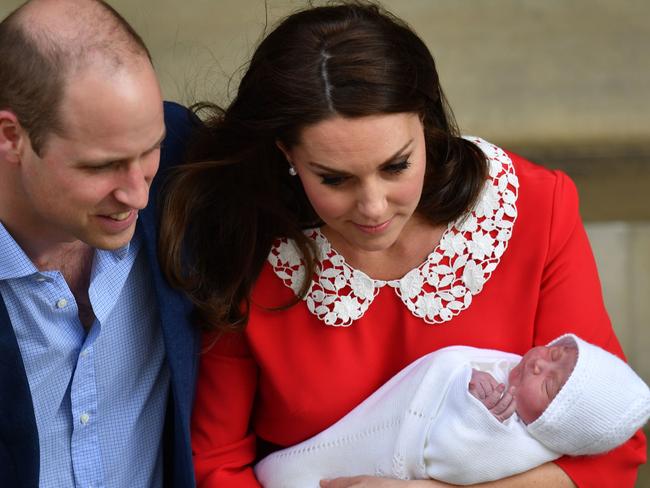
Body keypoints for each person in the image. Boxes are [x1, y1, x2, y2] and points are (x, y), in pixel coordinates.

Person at [159, 2, 647, 487]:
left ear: (425, 122)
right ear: (287, 154)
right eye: (334, 179)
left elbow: (612, 451)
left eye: (396, 166)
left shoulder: (535, 208)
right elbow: (217, 465)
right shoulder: (249, 235)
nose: (373, 207)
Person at [0, 1, 198, 486]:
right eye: (101, 166)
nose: (138, 193)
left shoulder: (185, 169)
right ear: (10, 137)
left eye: (149, 147)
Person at [254, 333, 650, 487]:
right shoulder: (510, 368)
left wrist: (479, 417)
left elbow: (458, 460)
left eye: (548, 384)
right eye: (556, 353)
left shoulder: (522, 447)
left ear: (550, 427)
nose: (538, 364)